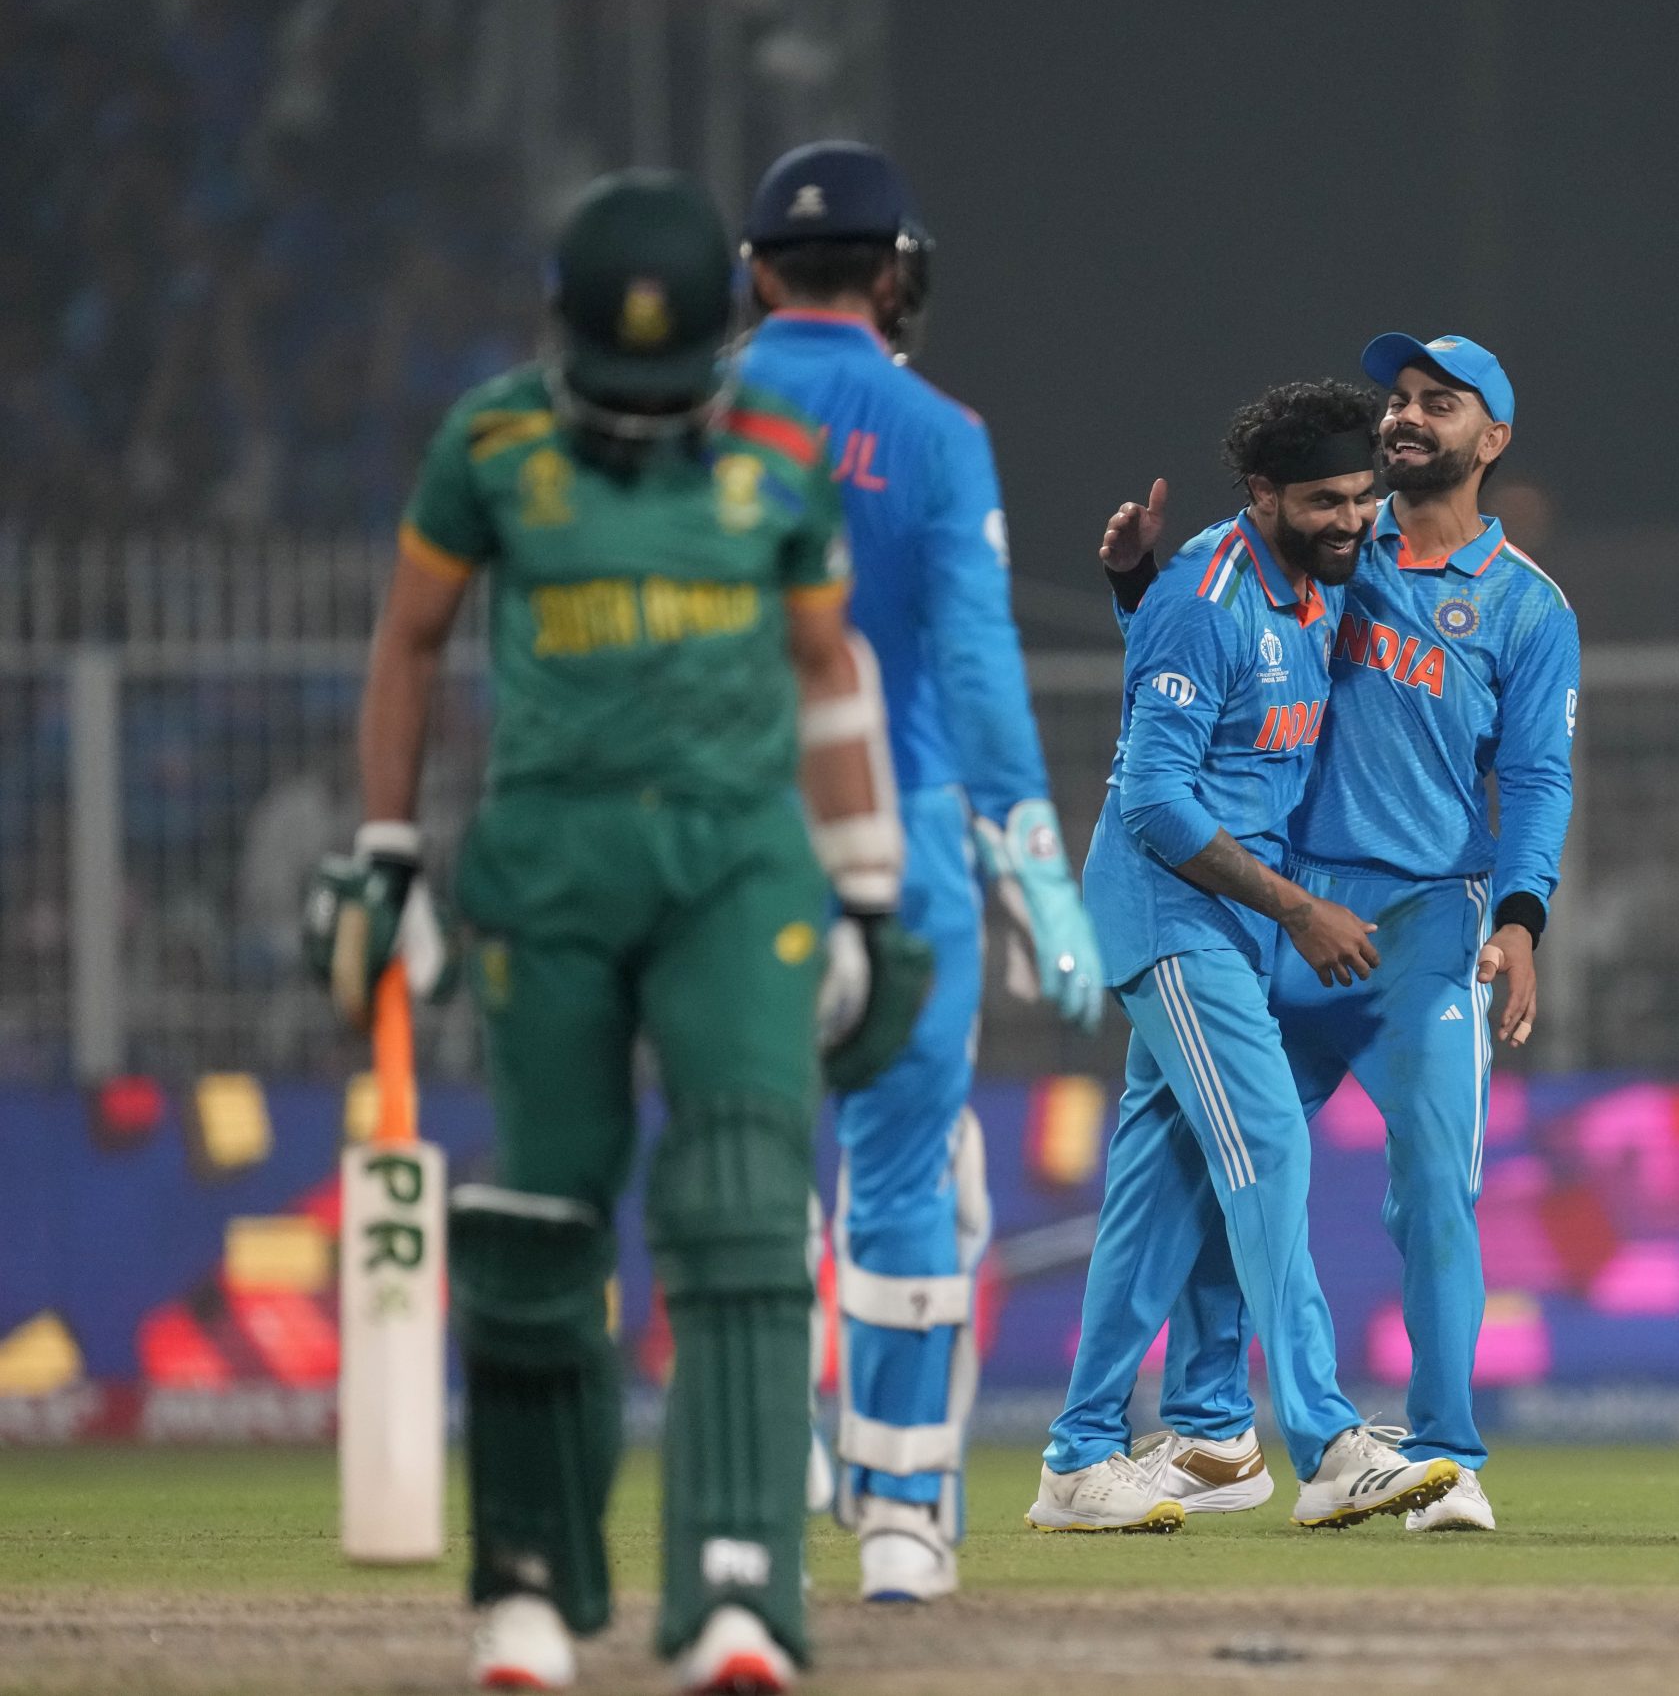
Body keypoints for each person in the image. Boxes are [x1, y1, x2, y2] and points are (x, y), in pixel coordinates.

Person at [305, 170, 928, 1694]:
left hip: (736, 867)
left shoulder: (780, 446)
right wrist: (387, 854)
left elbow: (827, 667)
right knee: (541, 1214)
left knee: (742, 1199)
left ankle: (737, 1589)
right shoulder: (492, 443)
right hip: (551, 861)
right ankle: (530, 1585)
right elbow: (411, 638)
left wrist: (865, 887)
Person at [1098, 334, 1578, 1533]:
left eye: (1438, 403)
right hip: (1285, 908)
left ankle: (1446, 1455)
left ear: (1492, 438)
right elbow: (1208, 658)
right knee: (1223, 1169)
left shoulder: (1526, 605)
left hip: (1421, 924)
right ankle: (1213, 1434)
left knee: (1436, 1189)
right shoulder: (1331, 548)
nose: (1406, 416)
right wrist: (1137, 590)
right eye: (1398, 398)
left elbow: (1537, 776)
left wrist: (1523, 916)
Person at [734, 141, 1107, 1602]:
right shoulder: (936, 432)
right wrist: (1036, 864)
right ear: (897, 275)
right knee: (906, 1175)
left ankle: (763, 1469)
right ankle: (900, 1519)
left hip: (724, 851)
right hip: (907, 846)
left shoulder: (690, 421)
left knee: (747, 1168)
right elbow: (975, 658)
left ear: (755, 271)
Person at [1029, 380, 1462, 1534]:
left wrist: (1131, 591)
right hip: (1175, 917)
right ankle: (1325, 1442)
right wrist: (1300, 910)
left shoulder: (1316, 581)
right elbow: (1155, 803)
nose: (1351, 520)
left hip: (1233, 924)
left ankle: (1080, 1459)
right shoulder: (1206, 594)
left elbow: (1192, 679)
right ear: (1263, 493)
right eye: (1325, 501)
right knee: (1266, 1139)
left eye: (1363, 497)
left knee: (1156, 1193)